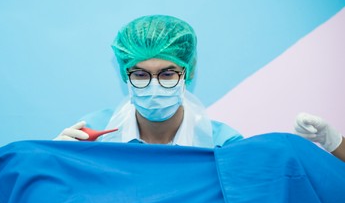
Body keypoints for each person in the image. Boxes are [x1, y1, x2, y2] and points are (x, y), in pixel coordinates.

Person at [54, 15, 243, 147]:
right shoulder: (94, 133)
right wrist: (53, 160)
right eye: (141, 75)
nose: (154, 86)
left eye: (167, 74)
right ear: (125, 75)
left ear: (187, 73)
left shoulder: (222, 144)